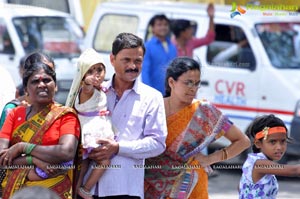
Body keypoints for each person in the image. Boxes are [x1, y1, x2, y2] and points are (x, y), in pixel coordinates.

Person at [144, 57, 250, 199]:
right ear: (171, 82)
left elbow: (243, 141)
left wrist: (210, 159)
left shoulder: (204, 111)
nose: (193, 88)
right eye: (188, 83)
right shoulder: (153, 108)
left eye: (196, 83)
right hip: (150, 184)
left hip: (190, 187)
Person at [83, 32, 167, 199]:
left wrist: (118, 148)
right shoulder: (96, 93)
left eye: (138, 61)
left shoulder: (152, 97)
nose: (133, 66)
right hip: (87, 188)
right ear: (112, 59)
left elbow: (158, 143)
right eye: (126, 60)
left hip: (125, 188)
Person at [0, 59, 80, 199]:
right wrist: (34, 160)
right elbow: (2, 157)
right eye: (35, 81)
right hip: (18, 193)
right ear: (25, 89)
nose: (42, 85)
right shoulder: (15, 114)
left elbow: (66, 152)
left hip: (54, 192)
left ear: (55, 86)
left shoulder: (65, 116)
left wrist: (23, 147)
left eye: (47, 80)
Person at [65, 48, 115, 199]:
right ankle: (84, 190)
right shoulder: (86, 90)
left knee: (84, 165)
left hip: (95, 131)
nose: (96, 75)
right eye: (90, 71)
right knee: (104, 161)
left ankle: (75, 192)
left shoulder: (101, 89)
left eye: (99, 69)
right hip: (89, 135)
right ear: (83, 76)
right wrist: (87, 82)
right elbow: (87, 86)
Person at [239, 114, 300, 199]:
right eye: (272, 142)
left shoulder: (252, 160)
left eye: (283, 141)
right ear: (258, 144)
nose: (279, 147)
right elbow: (295, 170)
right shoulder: (259, 164)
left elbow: (240, 188)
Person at [0, 51, 55, 130]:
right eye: (36, 80)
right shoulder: (12, 110)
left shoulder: (59, 112)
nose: (43, 84)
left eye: (50, 74)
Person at [142, 14, 177, 95]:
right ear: (153, 28)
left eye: (165, 25)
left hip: (171, 92)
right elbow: (145, 72)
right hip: (154, 92)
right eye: (159, 25)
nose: (163, 27)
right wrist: (148, 93)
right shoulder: (148, 46)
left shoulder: (172, 46)